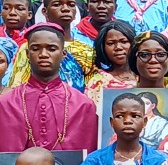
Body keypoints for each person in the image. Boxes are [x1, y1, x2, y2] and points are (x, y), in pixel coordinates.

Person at [0, 23, 98, 152]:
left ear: (63, 54)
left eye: (52, 48)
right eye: (36, 48)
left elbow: (85, 159)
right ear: (28, 54)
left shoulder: (83, 105)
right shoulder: (7, 103)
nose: (43, 54)